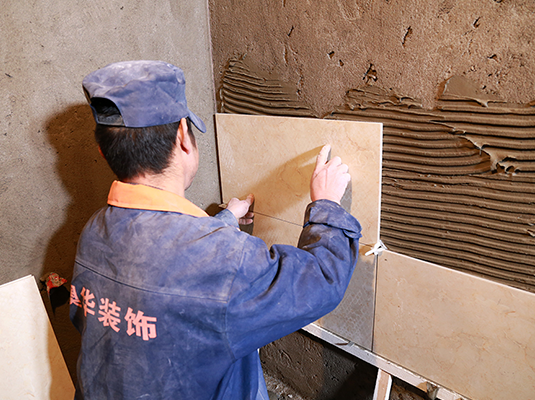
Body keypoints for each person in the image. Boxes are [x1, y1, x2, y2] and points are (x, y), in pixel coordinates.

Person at [70, 60, 362, 400]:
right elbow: (321, 281)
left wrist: (223, 222)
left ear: (104, 151)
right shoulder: (221, 260)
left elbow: (166, 272)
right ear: (183, 136)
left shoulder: (95, 231)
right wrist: (326, 204)